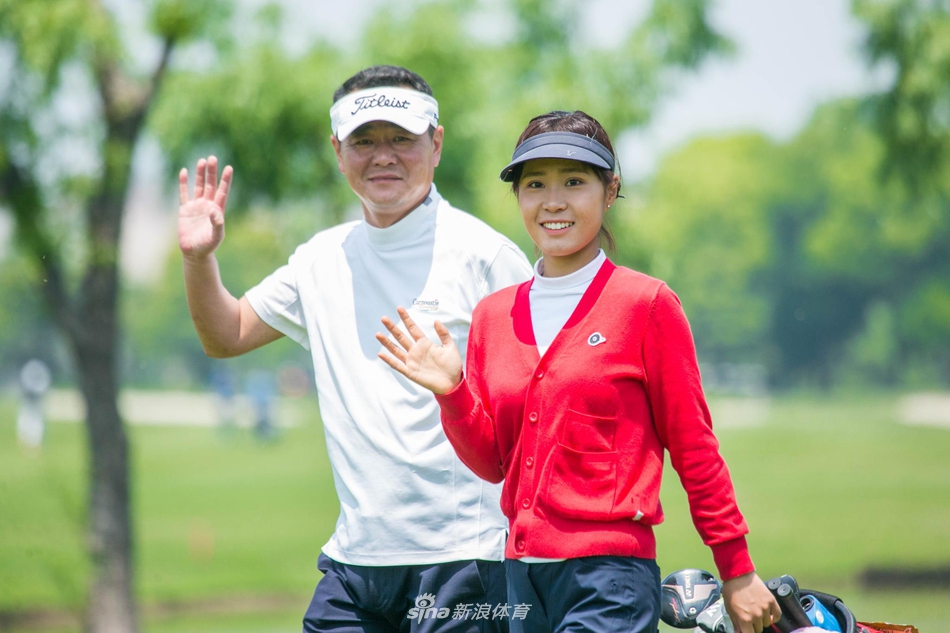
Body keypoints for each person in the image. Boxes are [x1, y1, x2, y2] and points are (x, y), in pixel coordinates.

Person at [378, 110, 782, 633]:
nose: (553, 201)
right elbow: (494, 465)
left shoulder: (646, 306)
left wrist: (737, 569)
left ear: (610, 190)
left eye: (574, 182)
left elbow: (694, 447)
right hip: (519, 582)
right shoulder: (493, 316)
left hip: (609, 581)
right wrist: (453, 393)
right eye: (535, 184)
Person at [177, 65, 532, 632]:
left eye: (402, 138)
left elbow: (536, 409)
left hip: (465, 559)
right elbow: (226, 333)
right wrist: (199, 259)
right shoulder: (320, 259)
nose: (383, 156)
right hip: (354, 563)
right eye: (364, 141)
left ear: (436, 144)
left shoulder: (485, 257)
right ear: (338, 152)